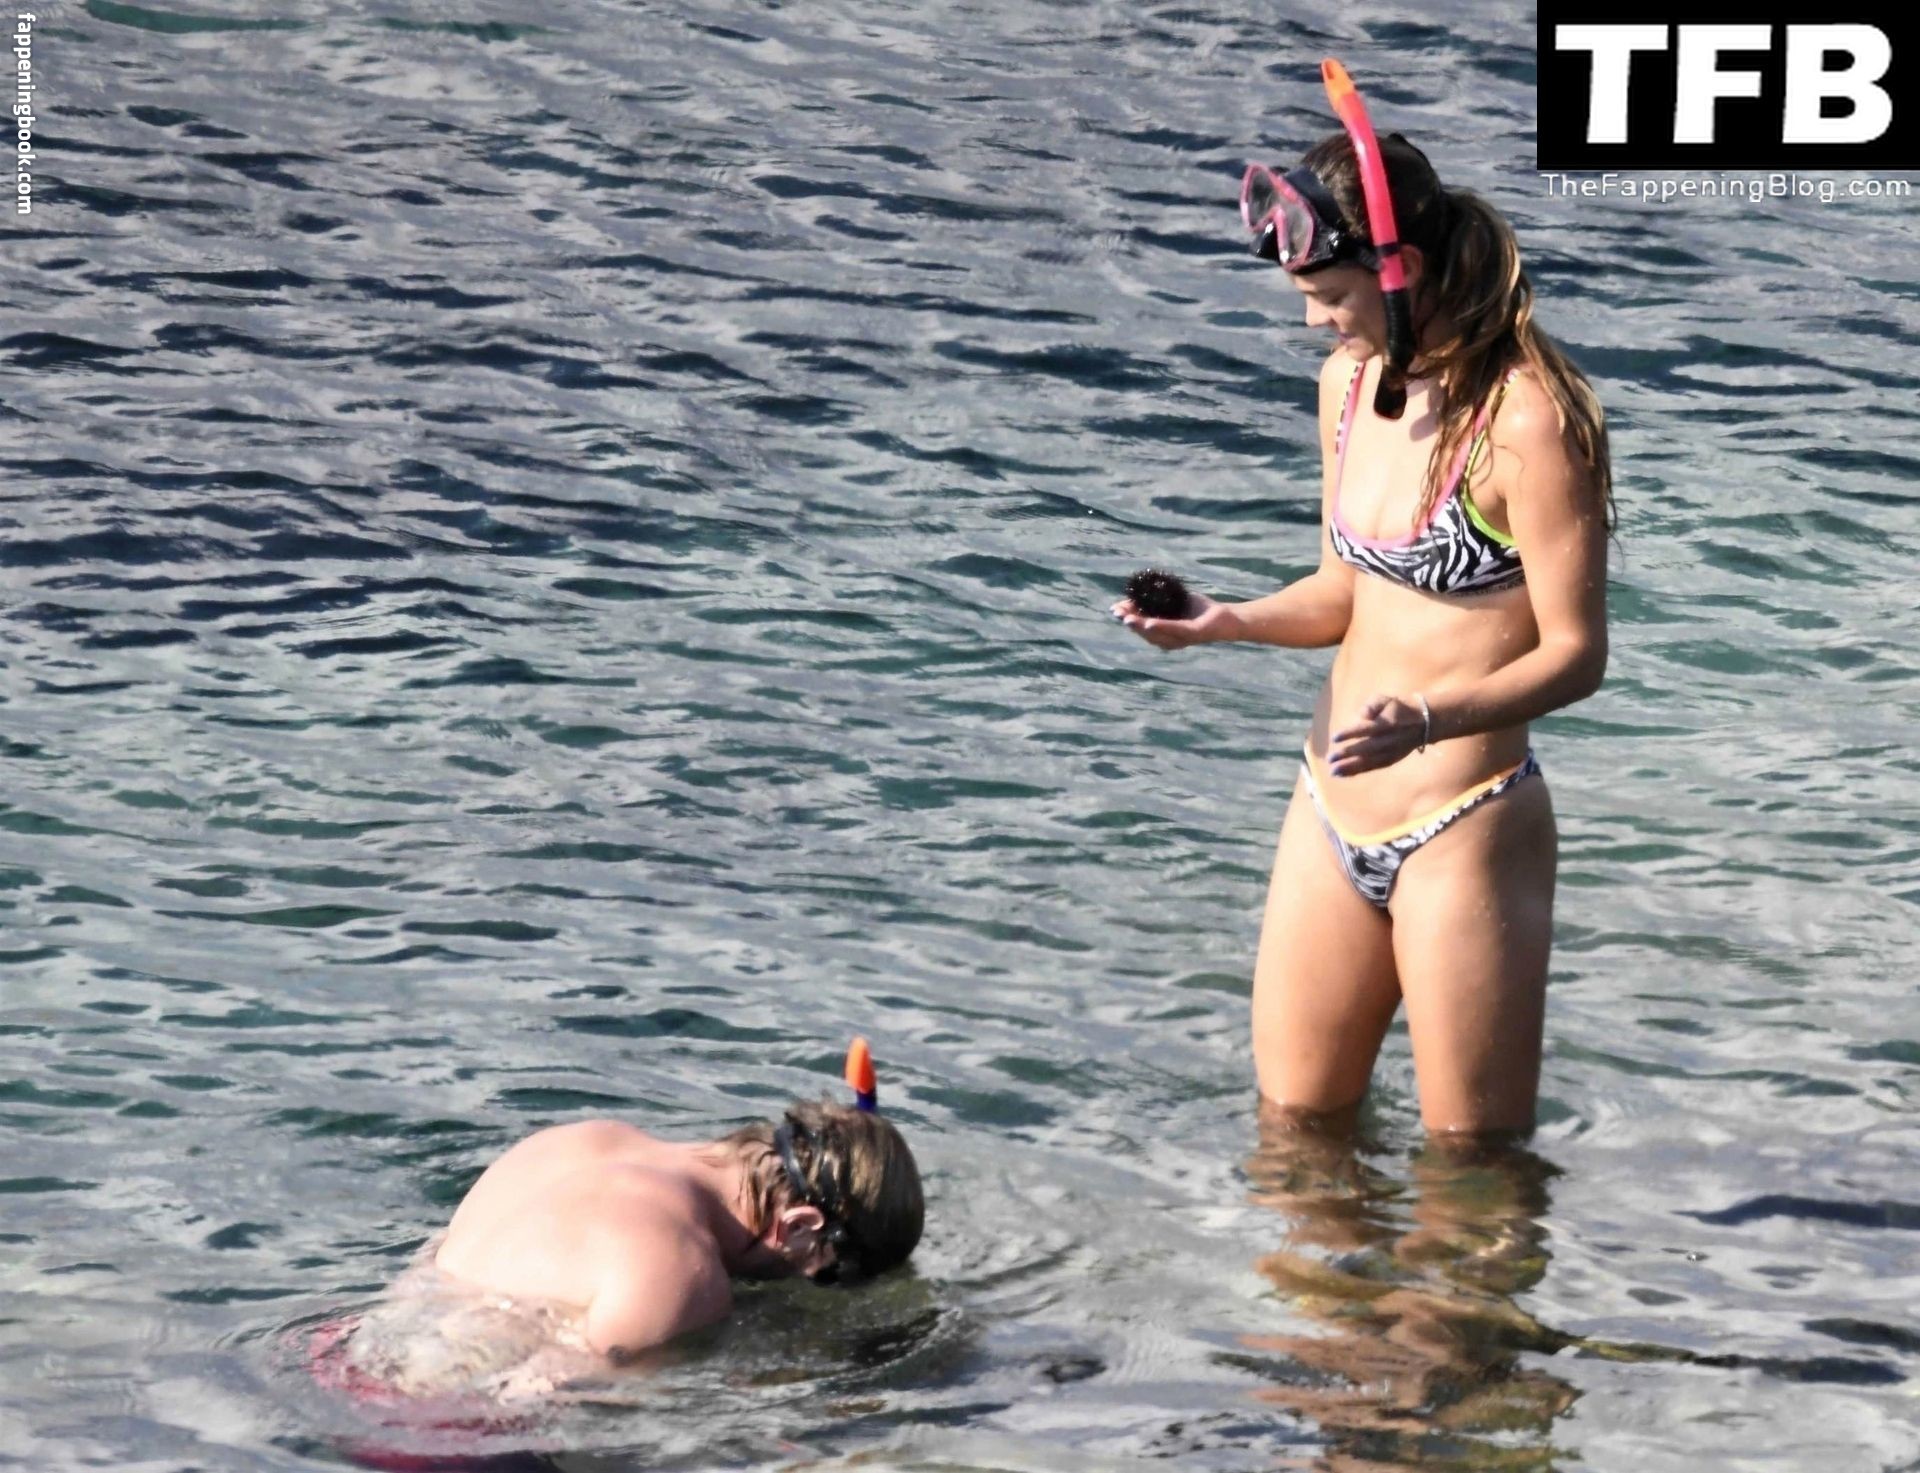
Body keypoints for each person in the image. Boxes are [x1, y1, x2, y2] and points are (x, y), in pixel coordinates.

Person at [1113, 63, 1612, 1136]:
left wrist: (1429, 719)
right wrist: (1228, 621)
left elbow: (1576, 654)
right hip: (1329, 806)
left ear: (1401, 272)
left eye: (1331, 299)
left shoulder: (1527, 422)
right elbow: (1347, 589)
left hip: (1464, 823)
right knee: (1293, 1141)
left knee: (1471, 1174)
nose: (1314, 323)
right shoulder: (1346, 388)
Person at [310, 1041, 923, 1407]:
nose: (799, 1282)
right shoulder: (682, 1273)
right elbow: (552, 1407)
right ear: (799, 1225)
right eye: (824, 1274)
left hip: (333, 1351)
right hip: (422, 1431)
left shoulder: (583, 1138)